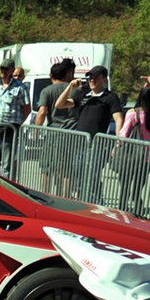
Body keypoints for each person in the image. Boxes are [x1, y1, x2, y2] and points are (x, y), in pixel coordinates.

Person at [58, 65, 124, 199]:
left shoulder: (110, 97)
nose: (92, 81)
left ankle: (96, 202)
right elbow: (59, 104)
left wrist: (118, 141)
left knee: (92, 176)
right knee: (80, 177)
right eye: (90, 78)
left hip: (97, 145)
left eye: (96, 78)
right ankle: (85, 201)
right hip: (80, 144)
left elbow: (118, 118)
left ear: (104, 79)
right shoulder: (83, 96)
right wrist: (70, 87)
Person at [113, 86, 150, 215]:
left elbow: (123, 135)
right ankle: (138, 210)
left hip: (130, 155)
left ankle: (122, 209)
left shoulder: (133, 113)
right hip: (148, 156)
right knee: (138, 186)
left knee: (124, 185)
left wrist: (116, 147)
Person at [33, 60, 78, 195]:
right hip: (71, 133)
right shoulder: (74, 90)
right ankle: (65, 198)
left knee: (47, 168)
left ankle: (44, 195)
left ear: (50, 75)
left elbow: (42, 112)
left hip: (53, 133)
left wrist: (36, 129)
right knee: (66, 170)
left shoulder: (46, 91)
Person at [0, 58, 30, 178]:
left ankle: (4, 193)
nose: (3, 71)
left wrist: (18, 123)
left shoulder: (20, 88)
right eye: (1, 68)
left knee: (7, 166)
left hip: (9, 129)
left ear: (12, 70)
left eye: (6, 69)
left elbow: (27, 108)